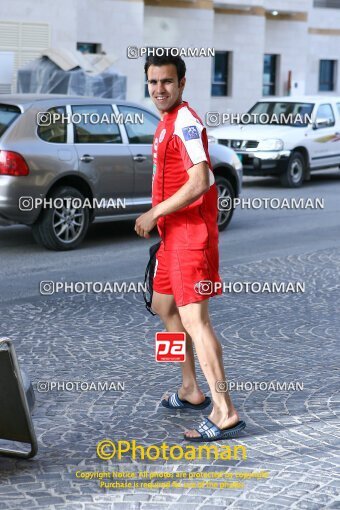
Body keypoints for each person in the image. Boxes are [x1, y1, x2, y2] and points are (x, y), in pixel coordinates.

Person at [135, 53, 246, 442]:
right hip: (171, 238)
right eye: (153, 82)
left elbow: (200, 180)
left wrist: (153, 213)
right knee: (162, 305)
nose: (159, 89)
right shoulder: (166, 121)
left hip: (189, 239)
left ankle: (225, 410)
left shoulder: (185, 121)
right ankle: (189, 389)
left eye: (166, 82)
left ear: (182, 83)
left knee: (197, 323)